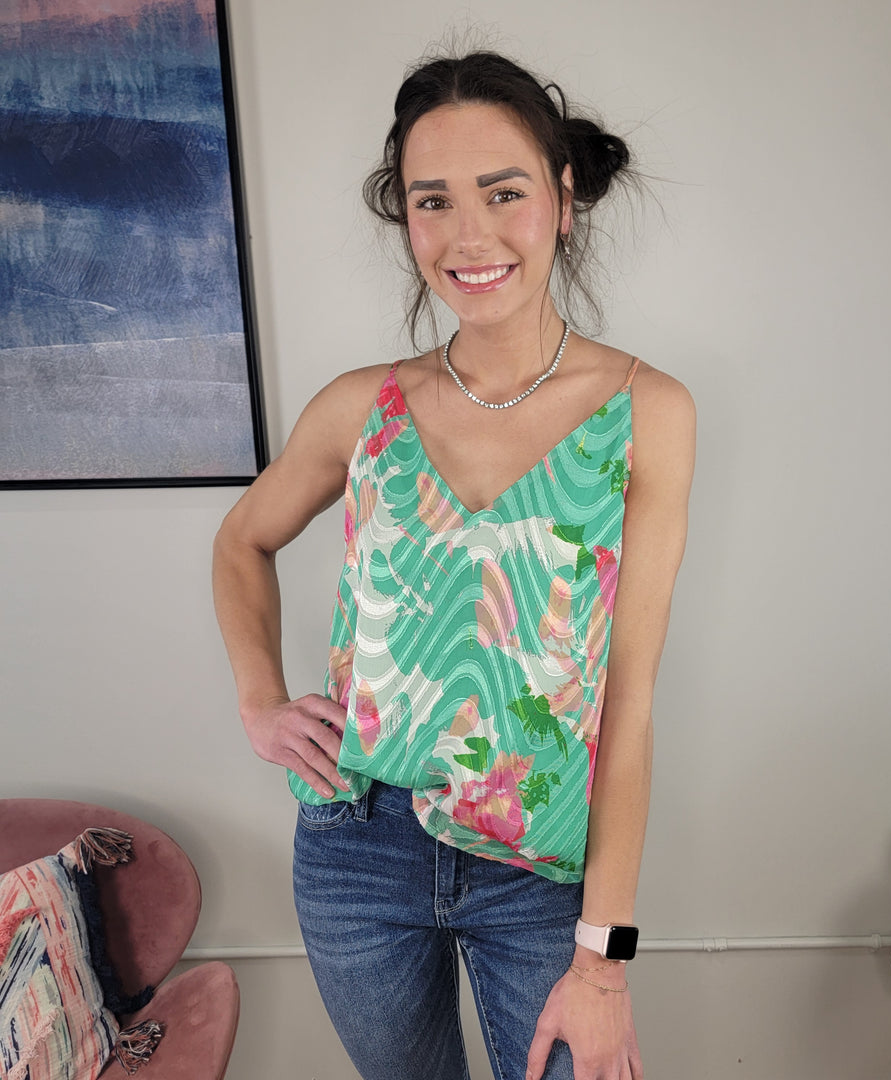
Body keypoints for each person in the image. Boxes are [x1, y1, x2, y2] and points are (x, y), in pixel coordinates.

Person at [212, 48, 695, 1080]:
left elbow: (632, 704)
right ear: (407, 218)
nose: (469, 235)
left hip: (540, 871)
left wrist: (603, 966)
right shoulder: (362, 407)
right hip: (357, 849)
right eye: (434, 201)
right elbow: (241, 538)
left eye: (503, 192)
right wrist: (260, 699)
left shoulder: (646, 413)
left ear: (565, 199)